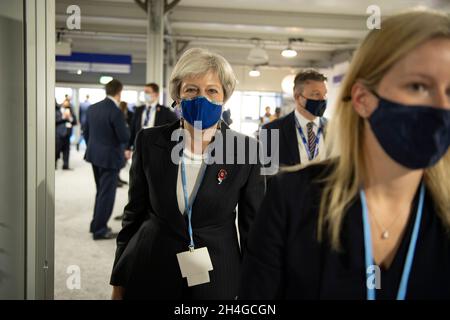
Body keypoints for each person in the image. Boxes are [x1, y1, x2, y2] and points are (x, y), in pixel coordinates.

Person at [239, 9, 450, 300]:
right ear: (363, 99)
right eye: (418, 86)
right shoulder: (290, 196)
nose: (441, 107)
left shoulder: (441, 212)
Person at [110, 48, 265, 300]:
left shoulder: (247, 150)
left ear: (224, 96)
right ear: (178, 96)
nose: (201, 98)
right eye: (191, 89)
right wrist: (119, 279)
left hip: (216, 273)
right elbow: (133, 217)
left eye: (211, 90)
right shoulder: (149, 142)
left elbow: (253, 229)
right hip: (152, 265)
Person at [83, 79, 130, 240]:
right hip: (110, 158)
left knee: (100, 192)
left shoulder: (92, 108)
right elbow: (124, 136)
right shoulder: (115, 111)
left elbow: (86, 132)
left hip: (94, 156)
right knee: (107, 195)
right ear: (119, 92)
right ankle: (100, 230)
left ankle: (96, 224)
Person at [262, 70, 329, 171]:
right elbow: (267, 175)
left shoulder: (335, 128)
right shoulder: (272, 130)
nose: (322, 99)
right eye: (316, 94)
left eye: (324, 94)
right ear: (298, 97)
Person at [127, 83, 178, 151]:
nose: (145, 94)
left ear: (156, 94)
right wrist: (128, 147)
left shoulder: (165, 111)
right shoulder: (138, 110)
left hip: (157, 148)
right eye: (144, 92)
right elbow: (132, 129)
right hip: (139, 147)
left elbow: (175, 127)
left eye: (147, 92)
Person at [56, 99, 77, 170]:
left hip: (67, 134)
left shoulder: (70, 111)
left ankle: (65, 165)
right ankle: (54, 164)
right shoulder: (57, 111)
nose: (67, 104)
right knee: (57, 150)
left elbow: (75, 121)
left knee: (67, 151)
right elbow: (55, 121)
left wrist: (70, 117)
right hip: (59, 134)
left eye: (68, 103)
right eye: (65, 103)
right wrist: (63, 117)